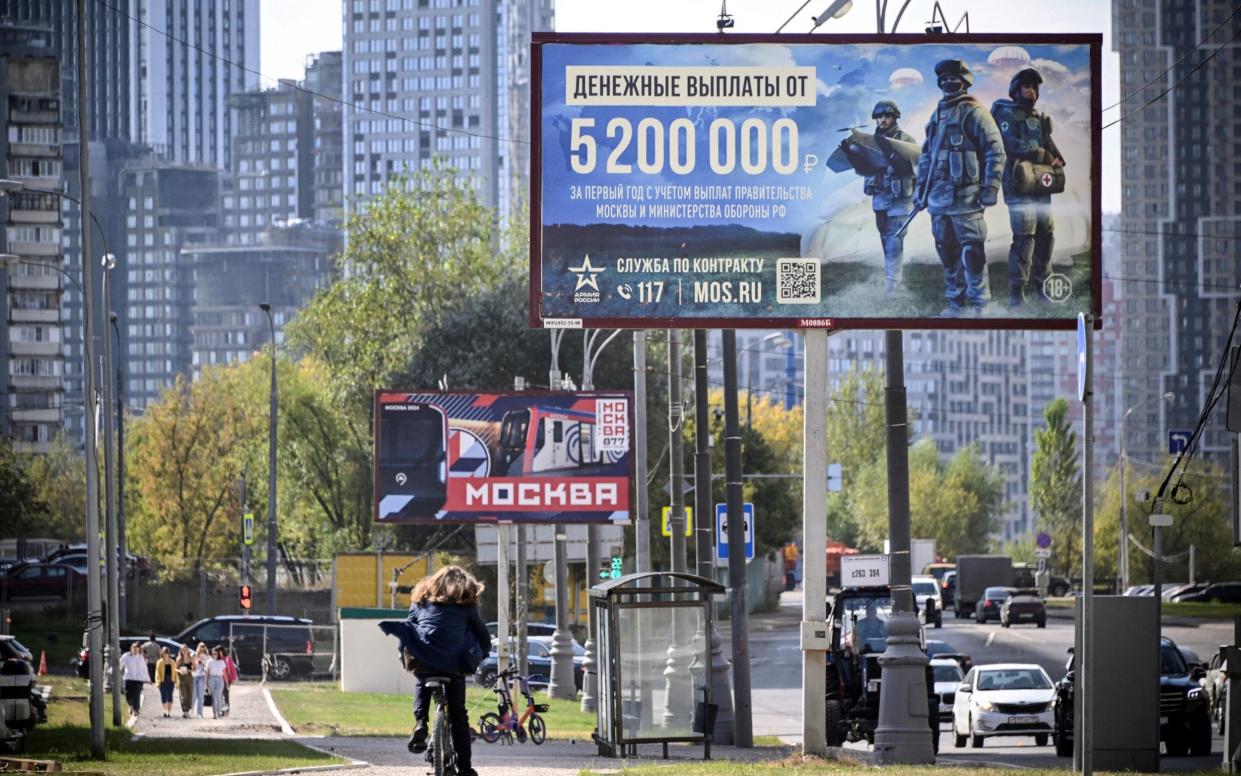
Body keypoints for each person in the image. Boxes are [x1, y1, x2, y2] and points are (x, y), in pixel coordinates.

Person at [915, 59, 1006, 317]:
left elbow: (995, 151)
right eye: (943, 79)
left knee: (972, 251)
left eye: (952, 78)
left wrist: (990, 187)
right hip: (937, 200)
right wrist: (920, 190)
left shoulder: (974, 112)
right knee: (947, 252)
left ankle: (981, 305)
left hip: (966, 199)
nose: (947, 83)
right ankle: (956, 304)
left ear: (964, 81)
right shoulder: (937, 115)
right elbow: (926, 157)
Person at [402, 566, 490, 776]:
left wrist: (403, 656)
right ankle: (465, 769)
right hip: (454, 665)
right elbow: (483, 637)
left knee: (421, 676)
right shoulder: (466, 608)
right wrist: (482, 654)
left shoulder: (420, 602)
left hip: (423, 660)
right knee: (458, 714)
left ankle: (421, 722)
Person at [990, 67, 1065, 306]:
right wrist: (1042, 154)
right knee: (1024, 239)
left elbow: (1049, 144)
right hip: (1018, 185)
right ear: (1016, 89)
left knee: (1046, 236)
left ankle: (1042, 286)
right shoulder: (1005, 113)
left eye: (1034, 87)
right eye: (1026, 86)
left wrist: (1056, 158)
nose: (1031, 90)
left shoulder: (1038, 119)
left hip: (1040, 185)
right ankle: (1017, 293)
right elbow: (1008, 143)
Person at [862, 101, 918, 294]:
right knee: (886, 240)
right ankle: (892, 279)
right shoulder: (870, 142)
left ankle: (892, 284)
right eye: (879, 116)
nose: (883, 120)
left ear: (895, 117)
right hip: (880, 199)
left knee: (895, 240)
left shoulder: (906, 140)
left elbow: (917, 169)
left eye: (887, 116)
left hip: (900, 199)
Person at [119, 641, 149, 719]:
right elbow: (119, 664)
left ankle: (136, 710)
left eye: (137, 648)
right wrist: (113, 671)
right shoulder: (126, 656)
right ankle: (131, 706)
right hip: (128, 678)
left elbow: (144, 669)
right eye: (134, 648)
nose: (135, 650)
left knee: (136, 695)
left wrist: (148, 679)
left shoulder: (141, 658)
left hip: (138, 679)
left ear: (139, 649)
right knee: (128, 695)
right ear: (131, 648)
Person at [205, 646, 229, 719]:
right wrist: (206, 683)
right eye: (213, 653)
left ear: (218, 654)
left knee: (218, 696)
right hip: (211, 678)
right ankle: (215, 713)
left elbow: (224, 673)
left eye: (215, 653)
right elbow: (207, 673)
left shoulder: (221, 662)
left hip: (220, 679)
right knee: (214, 696)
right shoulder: (209, 662)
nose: (214, 655)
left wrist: (227, 682)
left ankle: (219, 712)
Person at [155, 646, 177, 718]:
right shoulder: (159, 662)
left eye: (167, 653)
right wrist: (158, 682)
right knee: (163, 696)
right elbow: (157, 673)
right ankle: (165, 711)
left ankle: (169, 712)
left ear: (169, 653)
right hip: (162, 681)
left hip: (171, 681)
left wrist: (177, 682)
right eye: (164, 653)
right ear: (162, 654)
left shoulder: (172, 662)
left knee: (169, 696)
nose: (166, 654)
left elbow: (175, 672)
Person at [175, 644, 196, 718]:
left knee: (190, 694)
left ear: (187, 650)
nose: (184, 651)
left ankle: (188, 709)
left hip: (189, 677)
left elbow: (195, 668)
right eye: (182, 649)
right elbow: (175, 668)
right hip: (181, 678)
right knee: (183, 695)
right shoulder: (179, 659)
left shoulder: (191, 658)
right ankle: (185, 711)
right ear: (181, 650)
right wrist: (180, 671)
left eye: (185, 649)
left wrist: (189, 670)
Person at [192, 643, 209, 718]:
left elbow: (207, 668)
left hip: (202, 676)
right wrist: (196, 662)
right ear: (198, 647)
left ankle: (200, 713)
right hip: (194, 676)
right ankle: (191, 711)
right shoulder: (194, 655)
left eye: (203, 647)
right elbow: (192, 665)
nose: (202, 648)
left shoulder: (207, 657)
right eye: (201, 647)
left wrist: (202, 663)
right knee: (193, 695)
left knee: (200, 696)